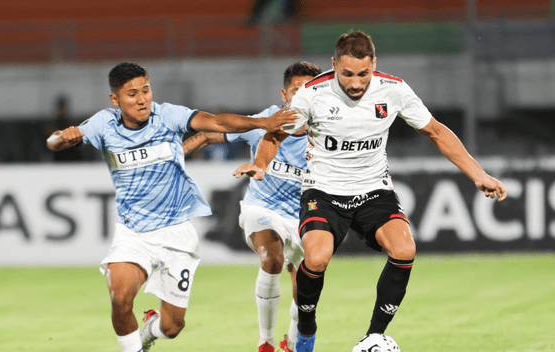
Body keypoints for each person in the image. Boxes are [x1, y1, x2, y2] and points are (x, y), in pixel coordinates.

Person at [234, 31, 508, 352]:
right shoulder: (312, 93)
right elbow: (274, 135)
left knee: (405, 250)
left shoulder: (393, 90)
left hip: (373, 190)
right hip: (323, 192)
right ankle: (306, 329)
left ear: (373, 64)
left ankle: (374, 336)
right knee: (317, 258)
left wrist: (478, 174)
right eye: (346, 74)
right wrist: (262, 165)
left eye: (363, 74)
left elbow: (435, 130)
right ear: (334, 65)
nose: (355, 83)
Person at [45, 62, 297, 352]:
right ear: (115, 100)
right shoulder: (103, 123)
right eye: (131, 94)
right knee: (121, 297)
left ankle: (150, 329)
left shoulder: (167, 115)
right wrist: (63, 138)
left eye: (145, 90)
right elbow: (53, 141)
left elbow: (216, 122)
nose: (141, 99)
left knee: (172, 327)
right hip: (134, 233)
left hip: (176, 233)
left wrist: (262, 123)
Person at [181, 61, 322, 352]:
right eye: (297, 91)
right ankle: (266, 343)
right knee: (272, 259)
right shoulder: (265, 122)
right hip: (263, 208)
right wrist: (173, 158)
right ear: (285, 95)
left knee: (305, 289)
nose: (303, 97)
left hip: (305, 215)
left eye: (311, 90)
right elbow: (209, 134)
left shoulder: (327, 131)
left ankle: (291, 342)